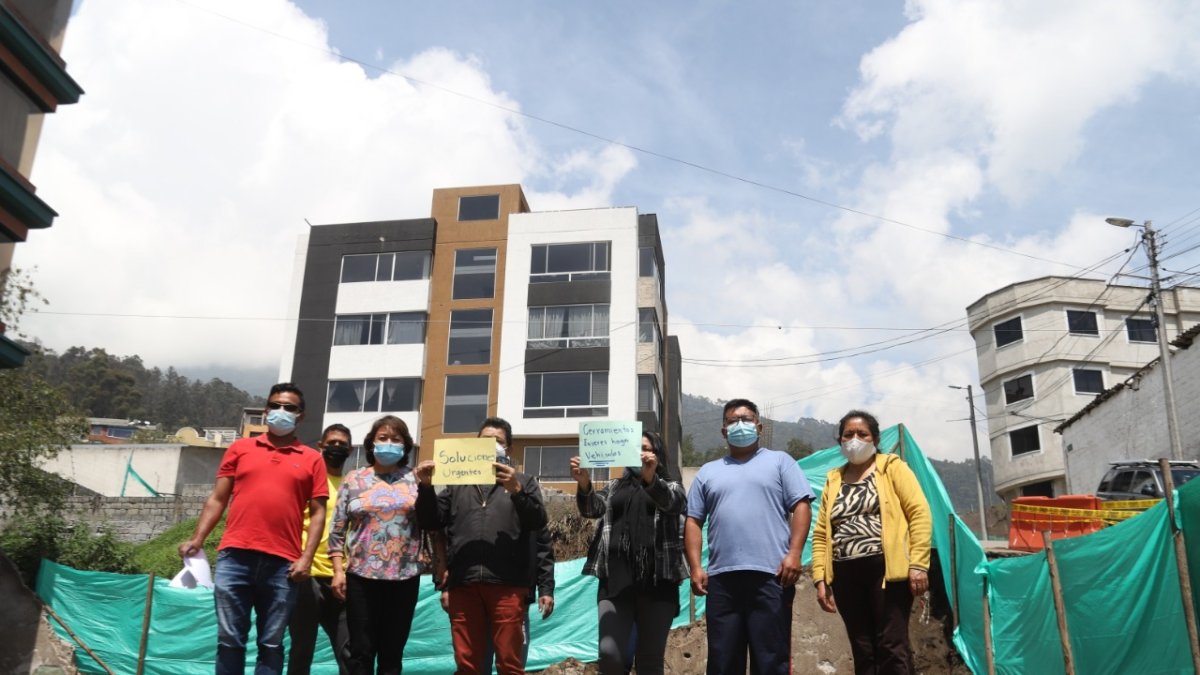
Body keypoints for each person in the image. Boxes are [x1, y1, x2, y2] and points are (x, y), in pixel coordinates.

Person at [179, 383, 328, 675]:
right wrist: (197, 539)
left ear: (300, 416)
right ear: (266, 410)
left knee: (271, 644)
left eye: (289, 408)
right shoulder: (240, 448)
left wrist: (306, 558)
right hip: (235, 557)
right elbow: (218, 498)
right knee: (229, 640)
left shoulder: (312, 458)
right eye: (275, 405)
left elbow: (319, 512)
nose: (281, 411)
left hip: (283, 565)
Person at [684, 398, 814, 675]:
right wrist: (695, 567)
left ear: (759, 426)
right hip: (722, 580)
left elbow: (801, 505)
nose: (740, 425)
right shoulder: (708, 472)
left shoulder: (781, 462)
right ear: (724, 431)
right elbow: (693, 520)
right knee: (722, 662)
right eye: (733, 421)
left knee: (771, 660)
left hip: (772, 576)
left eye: (746, 419)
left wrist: (794, 554)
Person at [415, 416, 548, 675]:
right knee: (468, 663)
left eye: (497, 441)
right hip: (463, 584)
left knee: (510, 662)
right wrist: (426, 488)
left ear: (508, 449)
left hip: (508, 585)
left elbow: (537, 522)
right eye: (485, 440)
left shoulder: (524, 481)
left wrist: (517, 491)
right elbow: (431, 521)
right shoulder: (456, 483)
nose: (491, 445)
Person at [812, 410, 931, 675]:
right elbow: (821, 534)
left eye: (862, 434)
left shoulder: (892, 467)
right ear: (840, 441)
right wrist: (820, 578)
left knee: (891, 644)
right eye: (848, 434)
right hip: (844, 574)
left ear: (875, 439)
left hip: (886, 571)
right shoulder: (834, 479)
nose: (854, 439)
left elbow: (919, 513)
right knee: (862, 647)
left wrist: (918, 564)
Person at [570, 430, 687, 675]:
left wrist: (650, 478)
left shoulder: (671, 486)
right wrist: (584, 484)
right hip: (615, 583)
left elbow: (672, 504)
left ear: (657, 455)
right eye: (636, 449)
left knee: (649, 660)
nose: (641, 454)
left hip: (658, 583)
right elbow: (592, 509)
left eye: (647, 449)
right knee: (609, 654)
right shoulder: (614, 486)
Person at [327, 415, 423, 675]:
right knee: (361, 651)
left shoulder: (416, 480)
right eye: (383, 438)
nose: (388, 443)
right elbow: (337, 529)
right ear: (371, 443)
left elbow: (432, 523)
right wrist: (338, 571)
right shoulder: (354, 479)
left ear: (405, 445)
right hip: (361, 577)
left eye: (395, 439)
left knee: (392, 653)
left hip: (404, 577)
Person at [287, 424, 354, 675]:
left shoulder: (351, 486)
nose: (337, 448)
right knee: (301, 650)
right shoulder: (307, 483)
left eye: (342, 444)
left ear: (350, 450)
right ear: (320, 447)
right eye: (332, 443)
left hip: (342, 579)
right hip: (307, 578)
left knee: (349, 652)